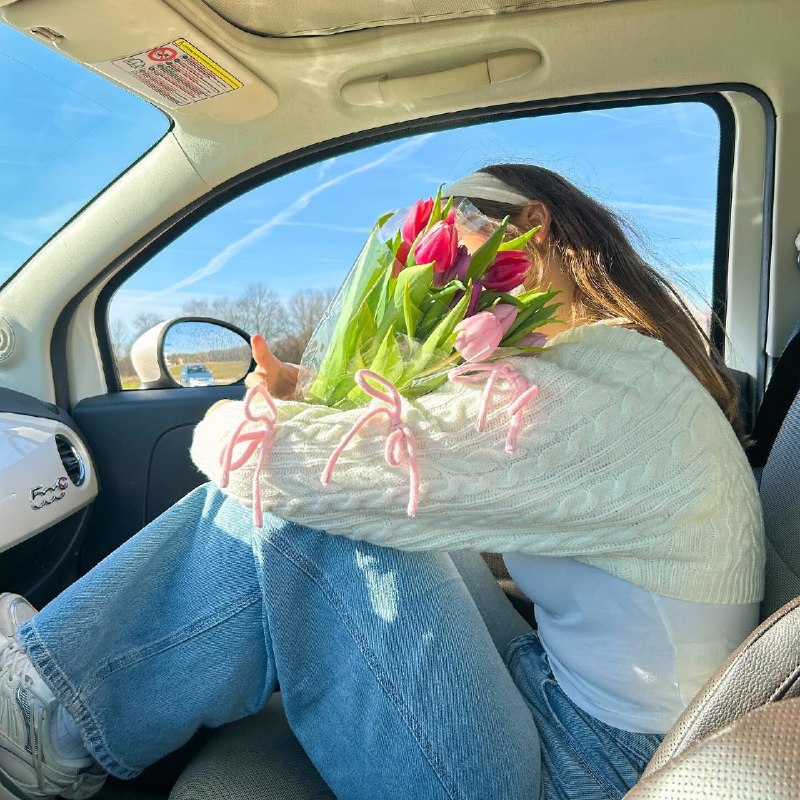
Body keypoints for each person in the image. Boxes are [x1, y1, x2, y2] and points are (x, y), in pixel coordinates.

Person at [0, 164, 764, 800]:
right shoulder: (626, 369)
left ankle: (48, 730)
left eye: (455, 230)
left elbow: (275, 466)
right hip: (568, 703)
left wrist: (245, 418)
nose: (433, 265)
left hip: (588, 774)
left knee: (299, 508)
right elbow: (422, 459)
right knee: (367, 508)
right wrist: (311, 397)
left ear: (532, 225)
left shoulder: (598, 392)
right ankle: (63, 679)